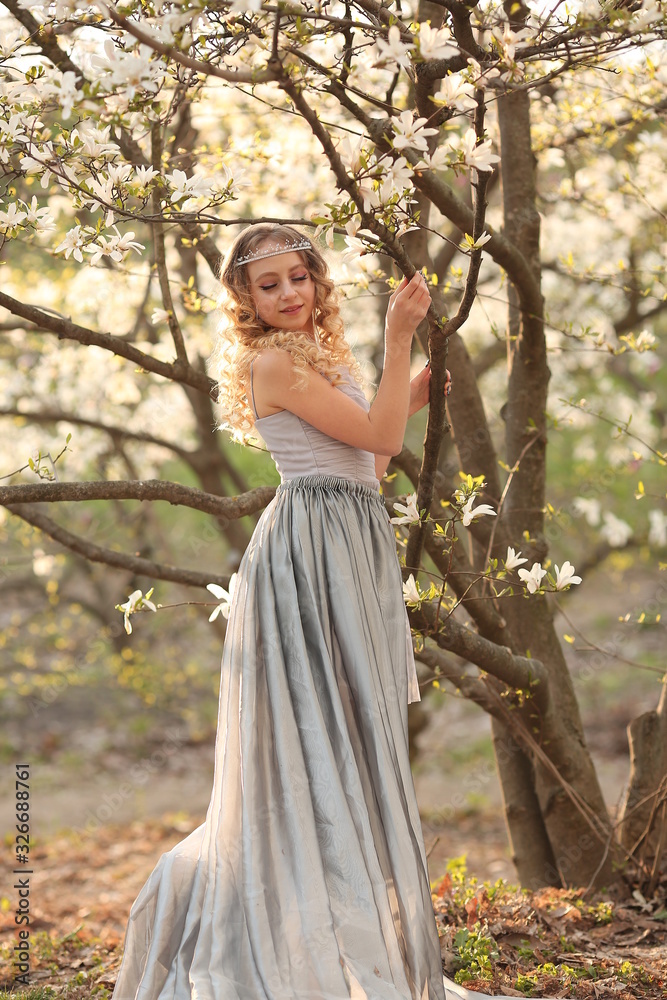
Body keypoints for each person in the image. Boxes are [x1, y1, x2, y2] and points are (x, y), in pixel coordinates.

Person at [110, 224, 527, 1000]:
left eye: (298, 277)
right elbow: (375, 437)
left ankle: (334, 925)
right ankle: (257, 926)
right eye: (268, 286)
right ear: (246, 299)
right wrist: (397, 337)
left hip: (348, 547)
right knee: (309, 741)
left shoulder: (323, 358)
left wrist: (413, 379)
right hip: (306, 558)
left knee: (344, 732)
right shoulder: (270, 362)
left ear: (316, 279)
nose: (288, 294)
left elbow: (368, 461)